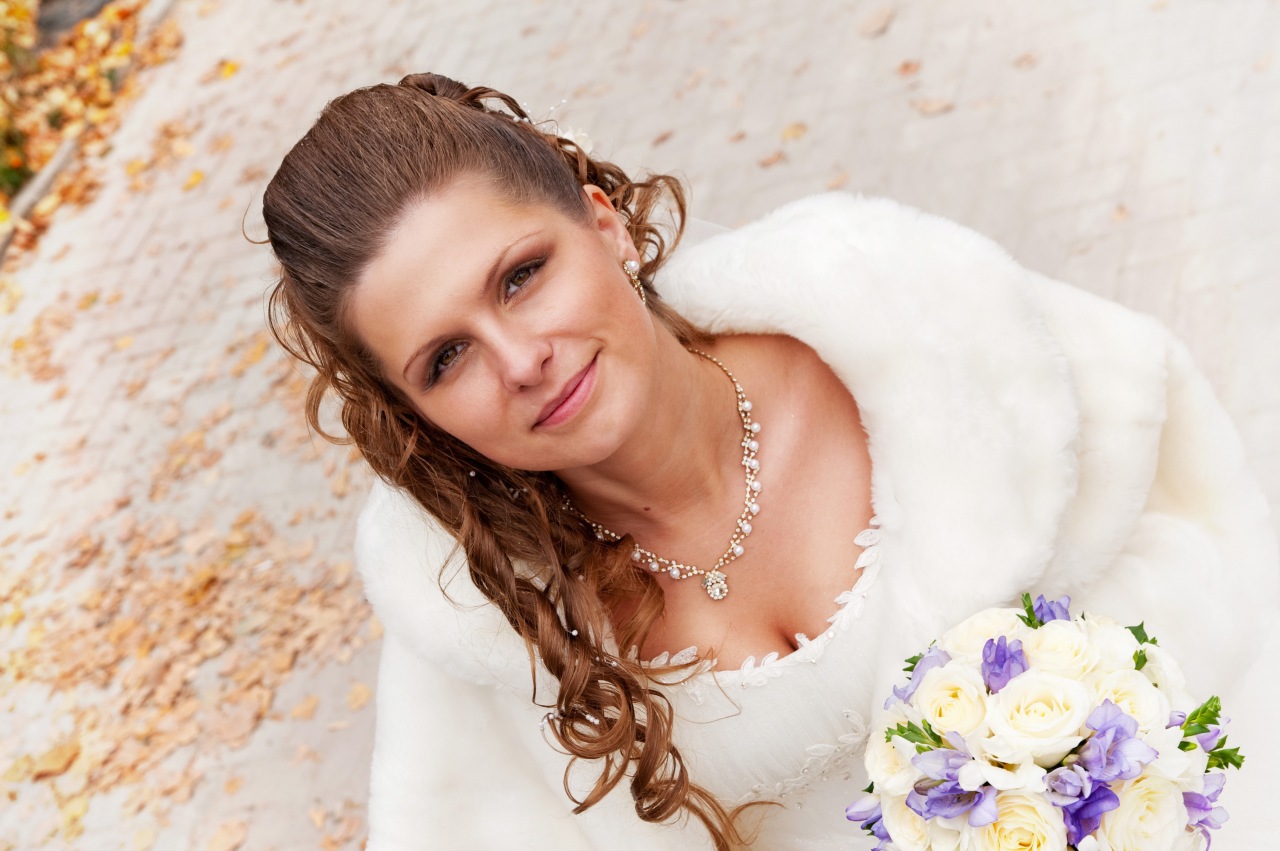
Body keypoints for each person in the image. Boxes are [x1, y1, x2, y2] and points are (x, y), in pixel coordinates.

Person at [261, 73, 1279, 849]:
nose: (520, 359)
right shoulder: (485, 632)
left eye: (522, 276)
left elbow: (1209, 552)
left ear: (602, 225)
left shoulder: (923, 326)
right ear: (422, 416)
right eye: (446, 359)